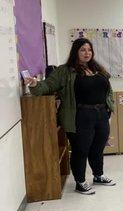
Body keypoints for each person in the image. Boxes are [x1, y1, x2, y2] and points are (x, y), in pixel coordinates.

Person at [24, 38, 116, 195]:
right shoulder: (64, 71)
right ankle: (80, 182)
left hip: (101, 115)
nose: (87, 53)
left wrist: (109, 108)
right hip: (79, 116)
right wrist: (34, 85)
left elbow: (108, 90)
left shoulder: (98, 69)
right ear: (76, 51)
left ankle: (98, 175)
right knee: (81, 150)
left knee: (98, 148)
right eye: (82, 50)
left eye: (89, 50)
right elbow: (47, 86)